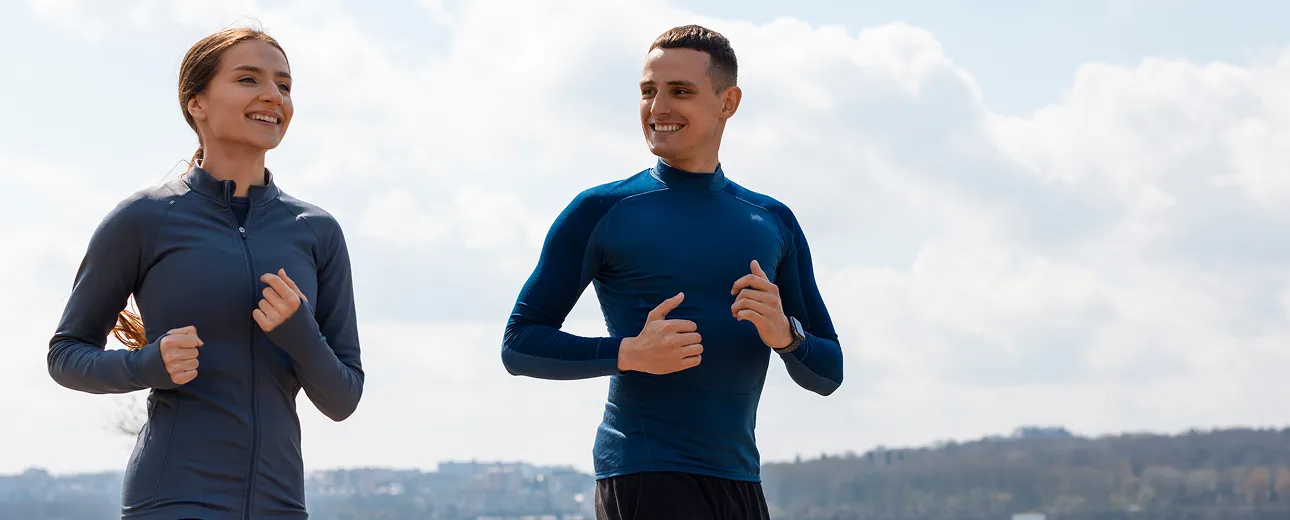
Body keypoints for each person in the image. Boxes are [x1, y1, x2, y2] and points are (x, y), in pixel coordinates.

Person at [501, 24, 844, 519]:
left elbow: (828, 372)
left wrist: (786, 336)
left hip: (740, 483)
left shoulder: (773, 221)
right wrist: (629, 353)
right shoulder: (602, 210)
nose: (657, 108)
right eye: (648, 91)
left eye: (680, 91)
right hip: (645, 476)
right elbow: (519, 343)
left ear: (728, 102)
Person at [46, 26, 364, 520]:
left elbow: (343, 398)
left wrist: (300, 332)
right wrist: (146, 365)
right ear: (196, 103)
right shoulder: (144, 218)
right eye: (247, 79)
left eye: (284, 85)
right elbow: (65, 355)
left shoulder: (317, 231)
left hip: (281, 505)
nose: (272, 96)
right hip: (172, 498)